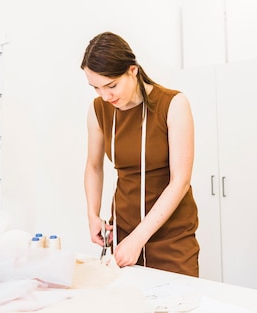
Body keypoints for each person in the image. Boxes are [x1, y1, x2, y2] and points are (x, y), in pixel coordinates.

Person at [80, 31, 200, 277]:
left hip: (171, 237)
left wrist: (139, 239)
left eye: (112, 85)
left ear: (132, 70)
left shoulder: (173, 104)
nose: (105, 96)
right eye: (96, 88)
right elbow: (93, 166)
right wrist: (93, 214)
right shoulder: (98, 110)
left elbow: (180, 181)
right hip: (123, 232)